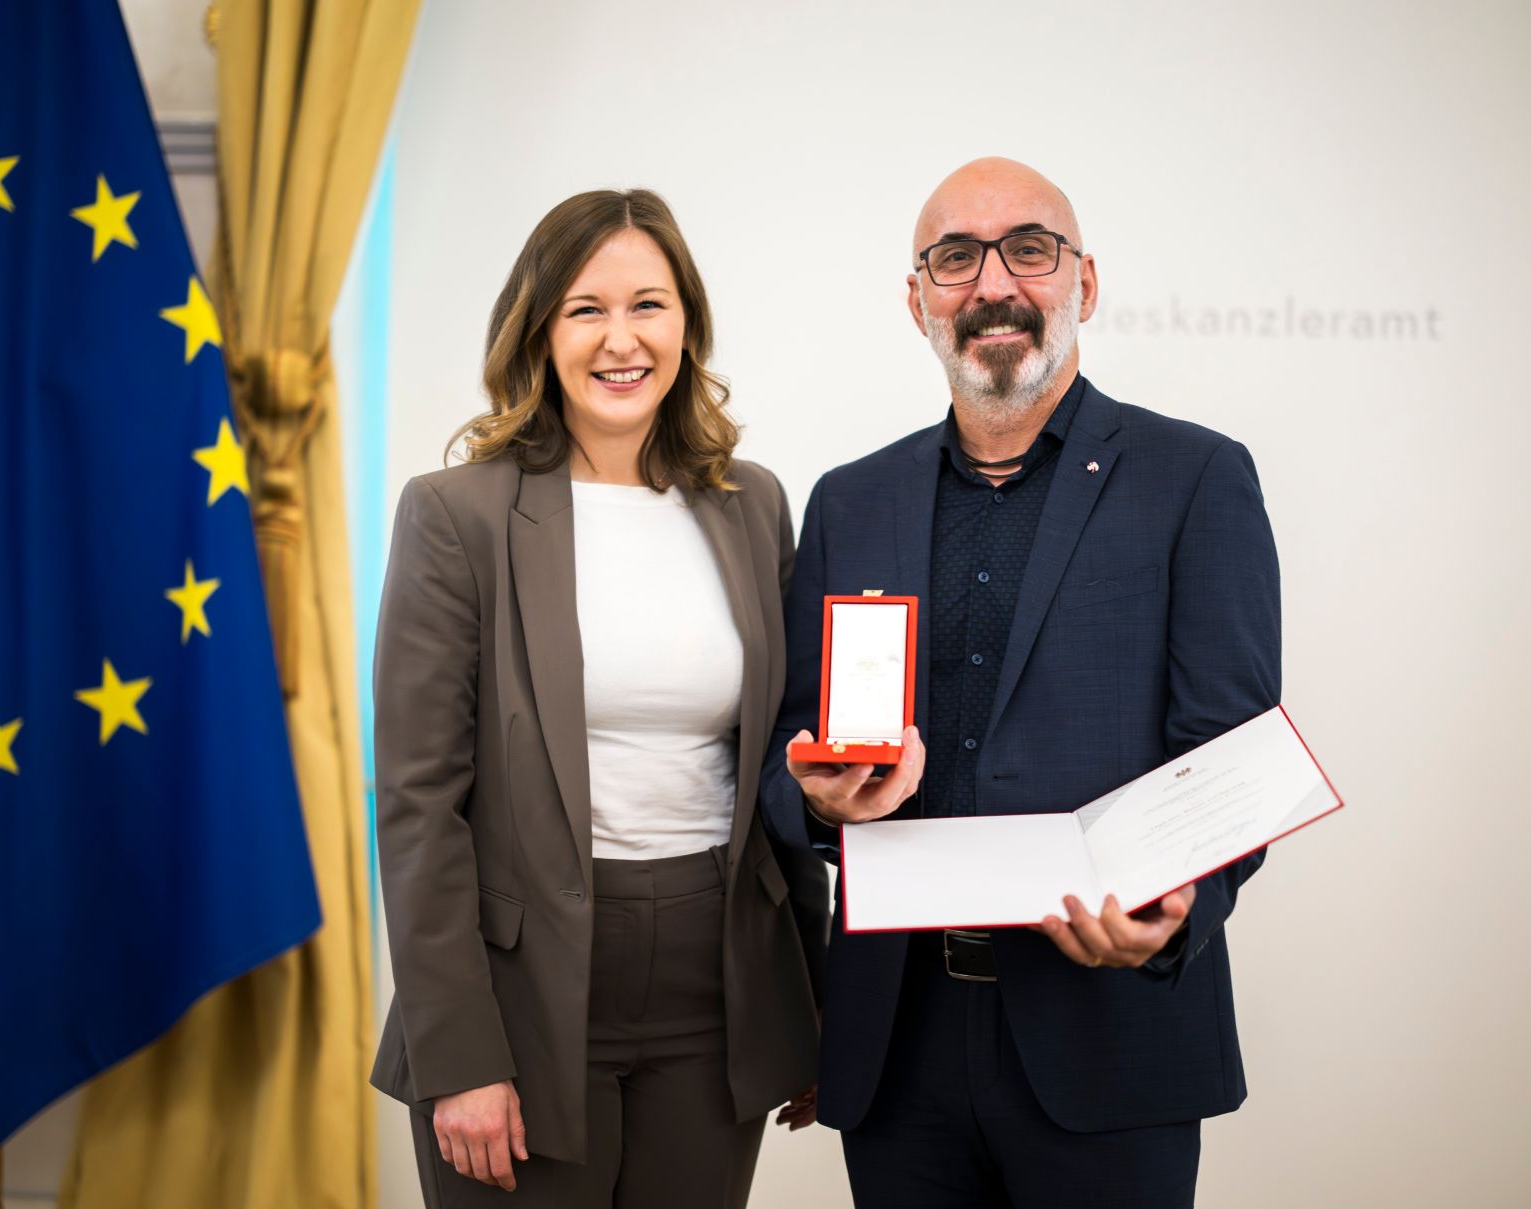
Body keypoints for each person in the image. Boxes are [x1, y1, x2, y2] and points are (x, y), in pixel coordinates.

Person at [760, 157, 1282, 1208]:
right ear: (917, 303)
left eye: (1027, 249)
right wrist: (814, 800)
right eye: (954, 258)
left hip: (1109, 1033)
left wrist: (1176, 911)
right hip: (894, 1047)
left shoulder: (1194, 478)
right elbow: (786, 753)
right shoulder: (847, 500)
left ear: (1082, 284)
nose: (991, 284)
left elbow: (1230, 758)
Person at [372, 188, 827, 1209]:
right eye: (584, 309)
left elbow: (772, 772)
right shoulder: (457, 515)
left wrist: (806, 1001)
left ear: (686, 326)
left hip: (717, 986)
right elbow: (416, 804)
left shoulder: (749, 503)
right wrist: (458, 1054)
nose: (620, 339)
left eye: (648, 306)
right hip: (519, 997)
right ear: (537, 331)